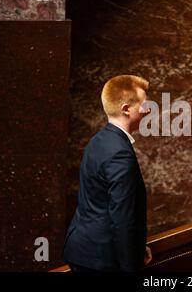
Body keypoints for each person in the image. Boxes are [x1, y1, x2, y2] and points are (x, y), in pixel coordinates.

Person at [63, 74, 152, 272]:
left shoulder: (98, 141)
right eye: (144, 104)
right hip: (102, 260)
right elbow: (122, 217)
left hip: (83, 250)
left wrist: (137, 247)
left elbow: (97, 202)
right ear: (126, 109)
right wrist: (131, 265)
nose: (148, 110)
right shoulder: (120, 153)